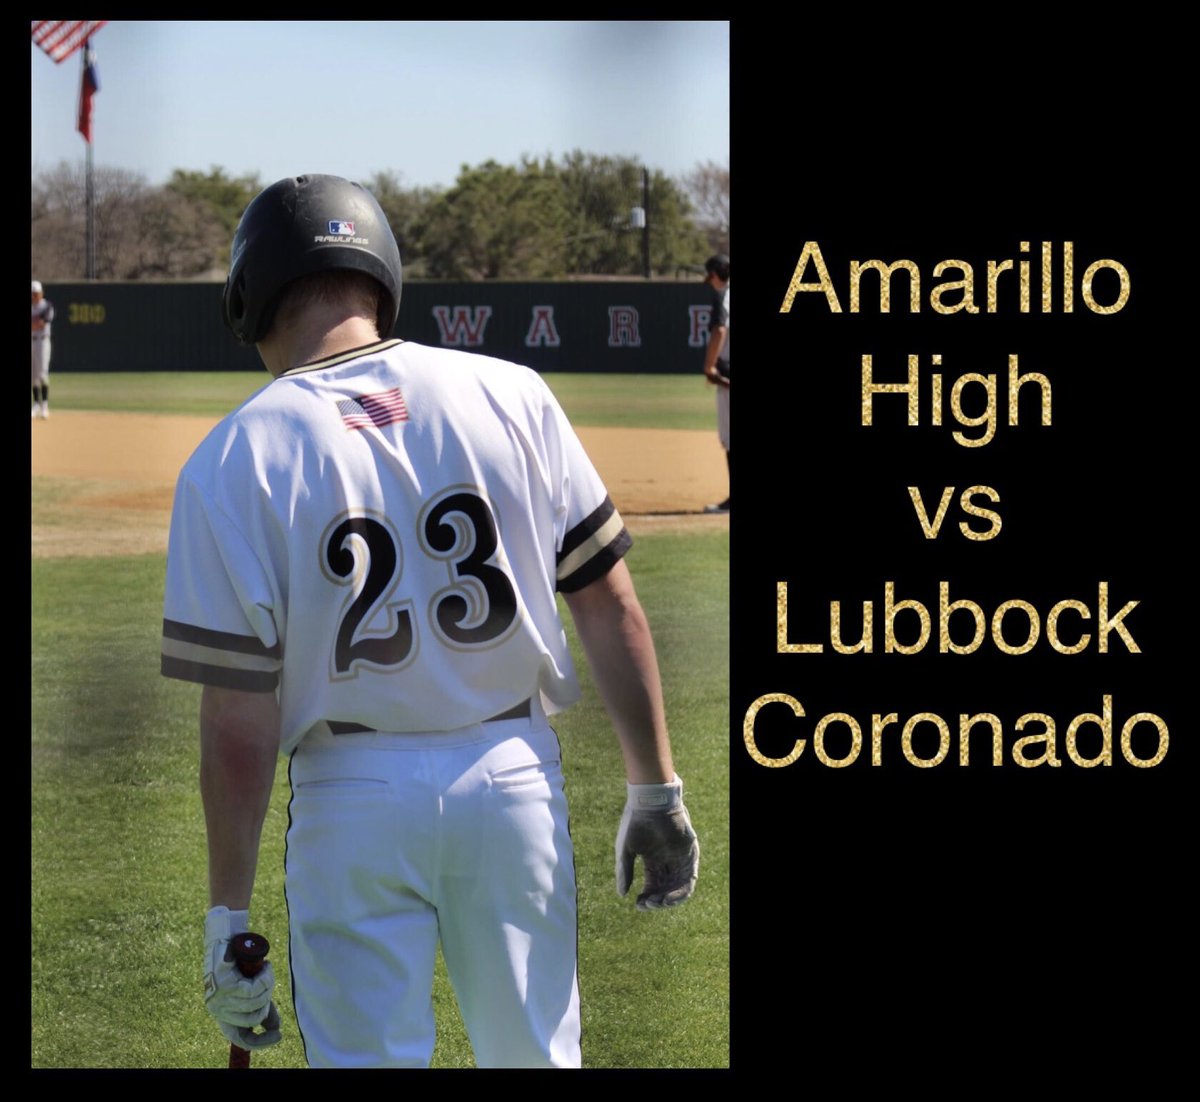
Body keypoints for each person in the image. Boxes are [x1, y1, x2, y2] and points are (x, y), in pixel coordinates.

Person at [160, 174, 699, 1068]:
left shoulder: (235, 453)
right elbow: (611, 603)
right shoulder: (513, 391)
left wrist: (228, 919)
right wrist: (655, 788)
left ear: (248, 293)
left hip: (352, 790)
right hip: (513, 776)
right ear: (381, 275)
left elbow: (237, 718)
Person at [700, 254, 730, 513]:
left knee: (730, 438)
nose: (710, 282)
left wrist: (709, 365)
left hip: (728, 376)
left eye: (710, 276)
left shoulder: (724, 297)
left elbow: (719, 329)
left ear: (717, 274)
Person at [31, 280, 53, 419]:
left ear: (41, 293)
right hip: (32, 341)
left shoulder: (47, 306)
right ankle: (36, 404)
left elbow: (40, 324)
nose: (34, 296)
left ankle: (44, 405)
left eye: (36, 293)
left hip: (43, 342)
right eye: (33, 294)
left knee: (43, 374)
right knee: (33, 376)